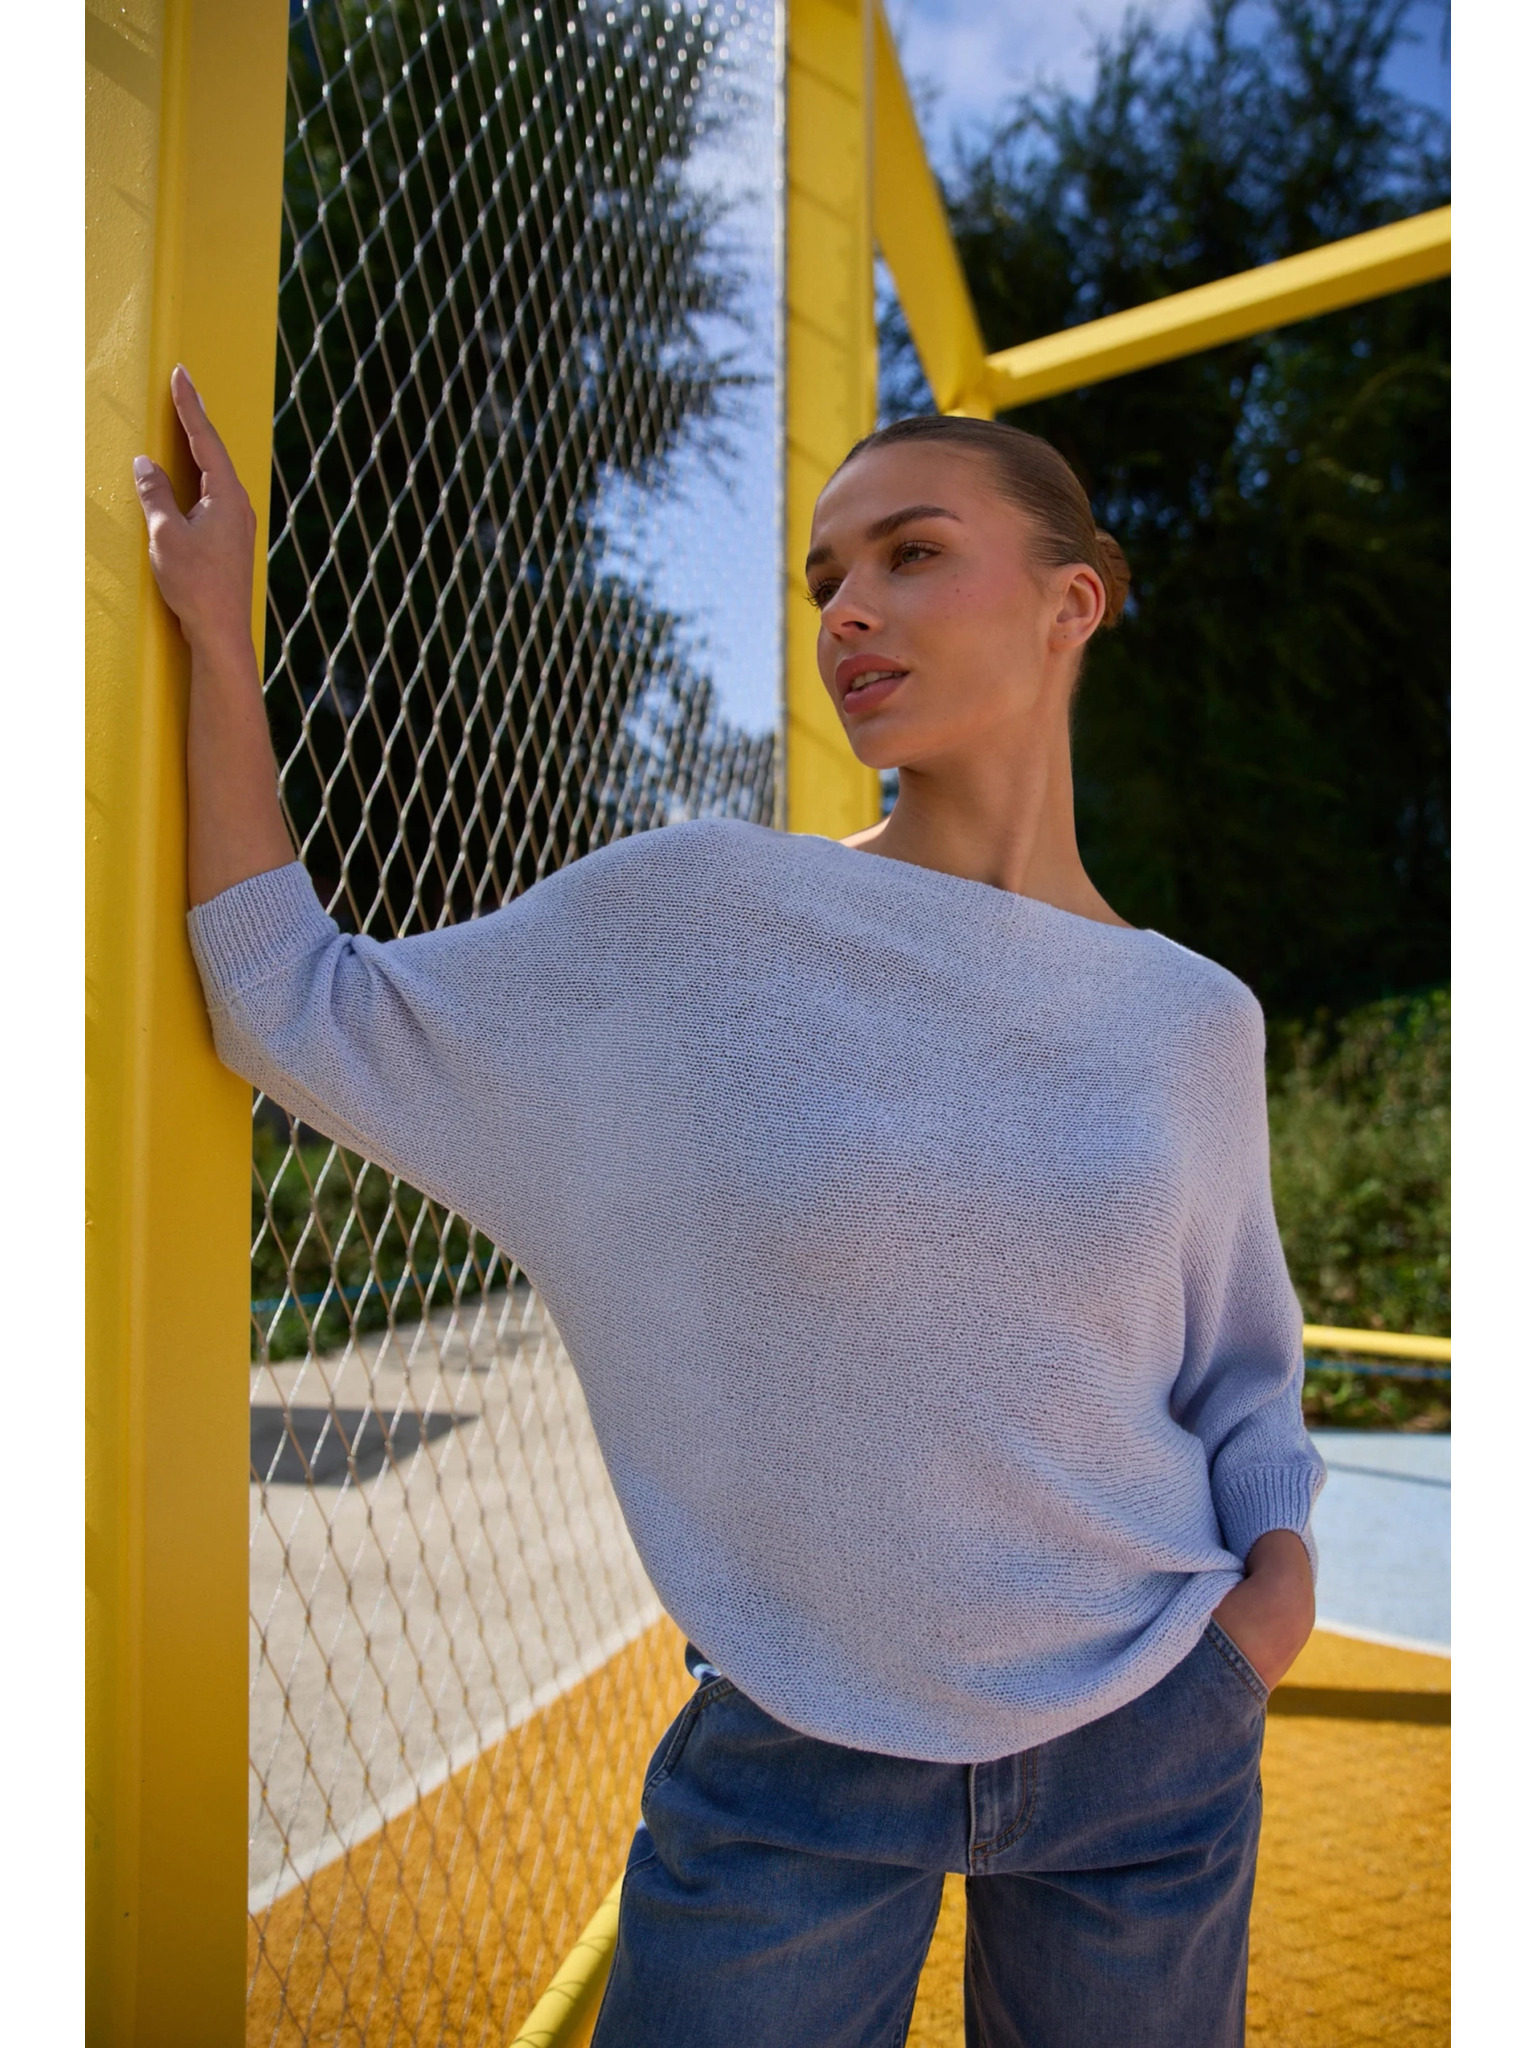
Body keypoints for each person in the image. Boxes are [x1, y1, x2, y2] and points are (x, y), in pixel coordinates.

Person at [135, 367, 1323, 2048]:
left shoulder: (1196, 1018)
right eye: (827, 576)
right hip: (797, 1762)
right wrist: (217, 635)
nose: (849, 610)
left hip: (1155, 1735)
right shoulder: (699, 919)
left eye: (912, 553)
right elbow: (296, 1007)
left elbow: (1240, 1378)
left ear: (1073, 604)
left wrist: (1267, 1605)